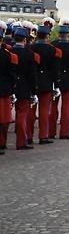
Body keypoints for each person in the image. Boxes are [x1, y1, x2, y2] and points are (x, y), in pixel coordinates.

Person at [31, 21, 61, 144]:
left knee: (31, 111)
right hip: (47, 81)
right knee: (44, 111)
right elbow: (55, 69)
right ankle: (43, 135)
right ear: (47, 36)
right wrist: (56, 83)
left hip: (33, 81)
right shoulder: (52, 50)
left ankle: (28, 136)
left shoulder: (31, 48)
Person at [11, 26, 38, 150]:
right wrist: (33, 90)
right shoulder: (29, 54)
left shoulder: (9, 51)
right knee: (22, 114)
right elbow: (32, 74)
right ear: (25, 40)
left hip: (10, 86)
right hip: (24, 86)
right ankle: (21, 141)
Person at [0, 21, 18, 155]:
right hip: (4, 89)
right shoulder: (8, 55)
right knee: (4, 120)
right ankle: (1, 143)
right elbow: (12, 74)